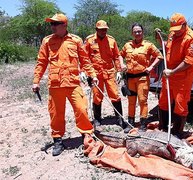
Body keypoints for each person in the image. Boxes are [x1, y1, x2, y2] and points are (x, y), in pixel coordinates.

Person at [32, 13, 98, 156]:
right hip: (56, 84)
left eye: (55, 24)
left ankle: (86, 136)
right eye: (51, 24)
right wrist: (36, 81)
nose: (52, 27)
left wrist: (92, 74)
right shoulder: (47, 41)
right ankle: (58, 140)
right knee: (56, 114)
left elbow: (85, 60)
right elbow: (41, 62)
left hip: (73, 83)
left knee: (81, 109)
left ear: (64, 25)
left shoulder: (76, 40)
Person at [155, 13, 193, 137]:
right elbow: (166, 48)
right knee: (163, 101)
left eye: (178, 29)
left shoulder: (192, 38)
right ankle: (163, 129)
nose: (175, 32)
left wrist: (173, 71)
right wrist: (158, 38)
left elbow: (188, 62)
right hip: (168, 76)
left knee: (180, 104)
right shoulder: (173, 34)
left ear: (184, 25)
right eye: (173, 30)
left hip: (182, 77)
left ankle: (177, 133)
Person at [120, 23, 163, 133]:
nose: (137, 33)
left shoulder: (148, 45)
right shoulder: (127, 45)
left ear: (142, 32)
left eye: (139, 31)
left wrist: (151, 67)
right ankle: (130, 123)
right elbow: (120, 55)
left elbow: (159, 56)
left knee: (143, 101)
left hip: (142, 78)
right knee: (131, 101)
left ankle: (143, 124)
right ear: (132, 33)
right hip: (130, 78)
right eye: (135, 31)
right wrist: (122, 64)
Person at [84, 20, 125, 128]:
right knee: (97, 97)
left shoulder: (111, 40)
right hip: (96, 73)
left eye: (105, 30)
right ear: (96, 29)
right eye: (101, 30)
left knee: (115, 95)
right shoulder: (89, 41)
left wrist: (119, 71)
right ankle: (97, 119)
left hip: (110, 71)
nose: (103, 32)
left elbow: (116, 56)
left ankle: (120, 118)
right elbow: (84, 58)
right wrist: (85, 72)